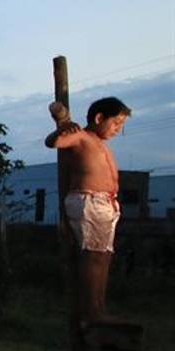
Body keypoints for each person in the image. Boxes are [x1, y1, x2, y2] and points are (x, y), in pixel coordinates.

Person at [44, 96, 131, 325]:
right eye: (115, 123)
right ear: (99, 117)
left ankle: (99, 308)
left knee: (103, 257)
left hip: (105, 204)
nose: (117, 129)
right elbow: (53, 142)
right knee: (92, 257)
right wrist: (63, 128)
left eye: (121, 126)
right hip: (88, 201)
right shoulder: (82, 136)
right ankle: (92, 312)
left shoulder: (101, 144)